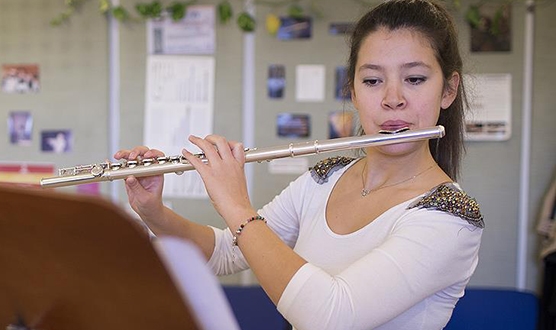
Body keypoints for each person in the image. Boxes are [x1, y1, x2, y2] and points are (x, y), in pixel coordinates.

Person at [114, 0, 484, 328]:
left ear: (448, 90)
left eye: (415, 79)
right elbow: (227, 252)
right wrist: (153, 211)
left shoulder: (451, 218)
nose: (392, 99)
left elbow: (331, 316)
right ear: (353, 91)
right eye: (372, 80)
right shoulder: (325, 180)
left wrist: (235, 204)